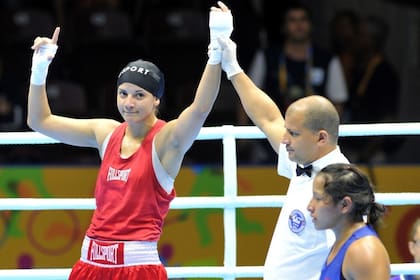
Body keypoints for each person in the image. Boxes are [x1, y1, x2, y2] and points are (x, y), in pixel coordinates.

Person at [27, 2, 232, 279]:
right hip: (90, 263)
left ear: (156, 99)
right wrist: (39, 68)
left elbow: (199, 109)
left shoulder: (166, 140)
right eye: (123, 93)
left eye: (139, 95)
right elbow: (40, 121)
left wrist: (217, 50)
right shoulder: (106, 132)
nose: (129, 102)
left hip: (137, 266)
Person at [218, 16, 349, 279]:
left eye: (294, 133)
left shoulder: (342, 186)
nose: (284, 139)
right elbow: (268, 118)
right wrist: (232, 66)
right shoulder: (302, 159)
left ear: (321, 138)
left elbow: (352, 255)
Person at [307, 163, 391, 279]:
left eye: (318, 198)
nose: (310, 207)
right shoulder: (343, 243)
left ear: (345, 205)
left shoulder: (362, 250)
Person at [263, 2, 348, 117]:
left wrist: (329, 133)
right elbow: (248, 95)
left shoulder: (327, 59)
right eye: (292, 20)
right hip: (274, 126)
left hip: (315, 129)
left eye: (303, 19)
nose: (299, 25)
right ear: (283, 27)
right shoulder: (267, 56)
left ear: (311, 25)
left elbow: (338, 102)